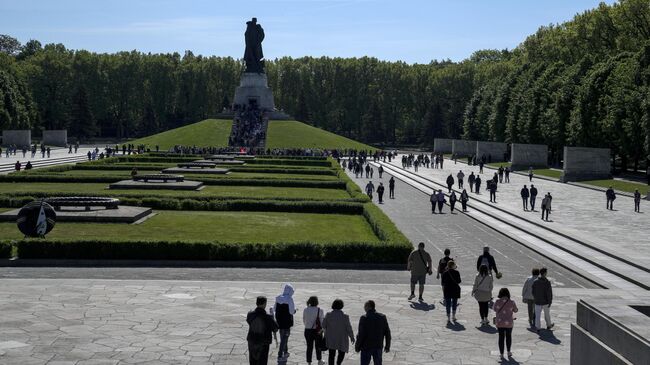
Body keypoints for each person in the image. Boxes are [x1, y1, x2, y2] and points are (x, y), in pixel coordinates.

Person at [355, 300, 391, 365]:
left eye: (365, 306)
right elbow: (387, 333)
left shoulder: (364, 318)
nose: (364, 308)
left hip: (366, 347)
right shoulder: (382, 317)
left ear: (369, 307)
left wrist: (357, 346)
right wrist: (387, 346)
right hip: (378, 346)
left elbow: (361, 334)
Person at [247, 296, 279, 365]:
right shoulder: (268, 317)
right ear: (264, 304)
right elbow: (276, 328)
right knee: (262, 362)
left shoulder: (250, 314)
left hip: (252, 340)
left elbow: (249, 321)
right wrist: (273, 316)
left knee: (252, 362)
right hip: (263, 342)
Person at [323, 299, 354, 365]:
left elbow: (323, 325)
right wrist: (352, 337)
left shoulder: (328, 315)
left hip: (331, 338)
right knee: (341, 352)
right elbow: (349, 328)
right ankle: (338, 363)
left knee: (331, 354)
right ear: (341, 306)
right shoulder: (345, 317)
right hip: (341, 338)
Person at [494, 288, 518, 359]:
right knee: (508, 337)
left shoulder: (497, 301)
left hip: (500, 322)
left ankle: (501, 354)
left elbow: (494, 309)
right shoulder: (512, 302)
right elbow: (516, 310)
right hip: (509, 323)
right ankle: (508, 352)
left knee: (501, 337)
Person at [274, 283, 296, 360]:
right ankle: (280, 354)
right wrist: (295, 311)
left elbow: (274, 309)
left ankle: (286, 351)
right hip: (287, 322)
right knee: (285, 338)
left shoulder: (278, 298)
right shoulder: (289, 299)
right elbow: (291, 311)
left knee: (282, 337)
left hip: (279, 321)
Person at [303, 296, 325, 365]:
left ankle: (309, 362)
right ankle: (319, 360)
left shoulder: (306, 309)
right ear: (317, 302)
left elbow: (304, 320)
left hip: (308, 330)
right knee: (318, 346)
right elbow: (322, 322)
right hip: (317, 331)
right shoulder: (320, 310)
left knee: (309, 347)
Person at [532, 267, 554, 332]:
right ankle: (549, 325)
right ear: (544, 273)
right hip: (545, 301)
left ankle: (537, 327)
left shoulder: (535, 281)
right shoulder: (547, 282)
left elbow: (533, 291)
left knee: (537, 315)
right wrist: (550, 301)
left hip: (537, 301)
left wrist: (535, 298)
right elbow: (549, 293)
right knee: (547, 314)